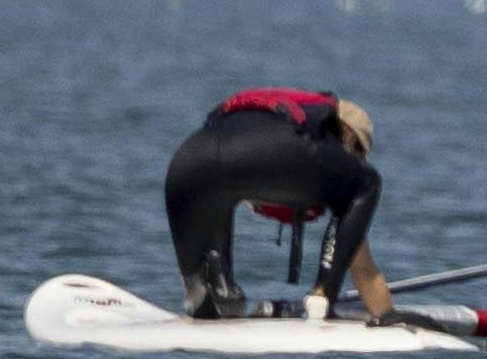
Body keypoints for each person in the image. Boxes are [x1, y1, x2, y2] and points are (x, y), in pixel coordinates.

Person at [159, 84, 388, 320]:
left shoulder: (266, 125)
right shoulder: (321, 146)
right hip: (253, 159)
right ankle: (322, 298)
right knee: (369, 182)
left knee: (209, 302)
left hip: (186, 159)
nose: (353, 161)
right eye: (358, 152)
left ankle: (210, 300)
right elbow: (362, 265)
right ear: (348, 135)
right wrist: (386, 313)